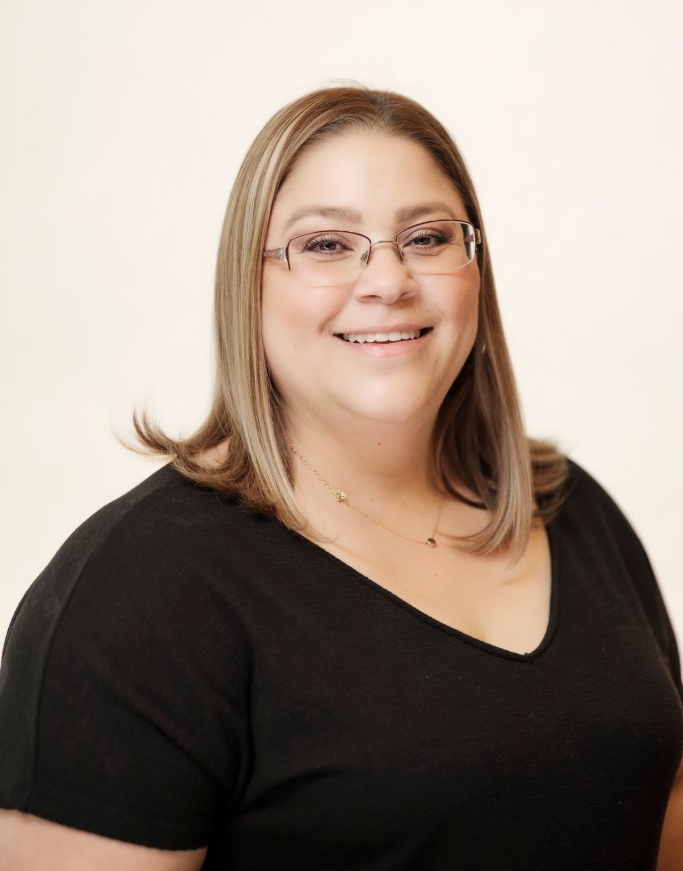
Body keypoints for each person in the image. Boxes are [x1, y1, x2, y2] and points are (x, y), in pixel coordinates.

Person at [0, 86, 681, 871]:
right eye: (325, 244)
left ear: (475, 267)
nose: (387, 280)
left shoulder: (570, 509)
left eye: (427, 238)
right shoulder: (141, 592)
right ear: (247, 283)